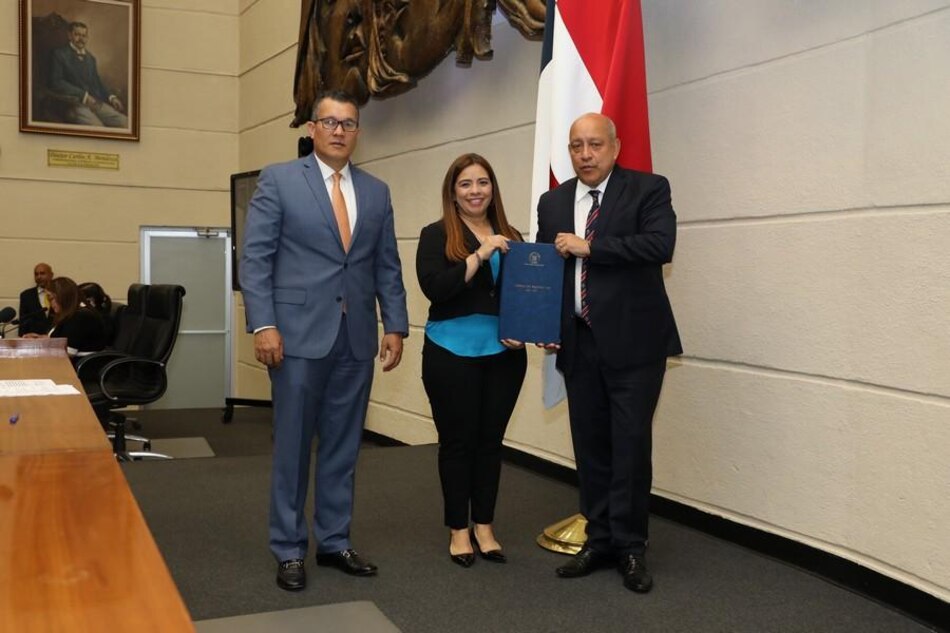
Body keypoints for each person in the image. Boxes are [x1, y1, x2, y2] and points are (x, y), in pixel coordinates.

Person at [240, 90, 409, 591]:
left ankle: (334, 541)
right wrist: (263, 323)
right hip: (293, 338)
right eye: (330, 122)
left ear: (358, 132)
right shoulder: (278, 180)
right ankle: (289, 549)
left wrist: (395, 324)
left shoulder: (376, 192)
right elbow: (256, 260)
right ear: (312, 129)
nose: (339, 131)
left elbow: (386, 265)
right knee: (292, 445)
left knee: (343, 446)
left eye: (349, 124)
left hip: (355, 337)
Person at [535, 113, 682, 593]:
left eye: (594, 144)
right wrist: (543, 323)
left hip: (636, 345)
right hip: (579, 342)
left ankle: (632, 548)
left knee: (630, 447)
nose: (585, 154)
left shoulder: (648, 189)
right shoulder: (553, 201)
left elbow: (660, 245)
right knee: (591, 446)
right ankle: (598, 540)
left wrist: (590, 247)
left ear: (615, 147)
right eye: (576, 145)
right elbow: (544, 274)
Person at [416, 154, 527, 568]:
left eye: (483, 182)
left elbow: (523, 296)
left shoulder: (512, 235)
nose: (475, 190)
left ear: (492, 189)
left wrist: (526, 330)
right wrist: (479, 254)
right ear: (453, 192)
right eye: (466, 184)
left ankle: (484, 525)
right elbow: (437, 290)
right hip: (450, 353)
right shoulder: (435, 235)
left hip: (504, 355)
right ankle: (458, 530)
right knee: (458, 443)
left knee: (490, 443)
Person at [49, 21, 129, 128]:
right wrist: (84, 96)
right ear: (69, 35)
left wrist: (111, 97)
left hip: (95, 102)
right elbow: (56, 82)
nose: (81, 39)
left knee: (125, 122)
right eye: (77, 35)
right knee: (98, 128)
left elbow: (97, 82)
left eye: (84, 36)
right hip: (74, 104)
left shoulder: (90, 58)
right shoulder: (59, 54)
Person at [24, 277, 107, 357]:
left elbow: (68, 352)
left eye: (51, 298)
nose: (50, 304)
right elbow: (60, 339)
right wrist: (39, 338)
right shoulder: (70, 313)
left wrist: (34, 350)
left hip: (79, 367)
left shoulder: (80, 316)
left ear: (62, 296)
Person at [18, 262, 54, 336]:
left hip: (56, 339)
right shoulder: (26, 295)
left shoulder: (60, 293)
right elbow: (23, 322)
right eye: (36, 274)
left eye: (42, 273)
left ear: (51, 275)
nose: (39, 277)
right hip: (34, 341)